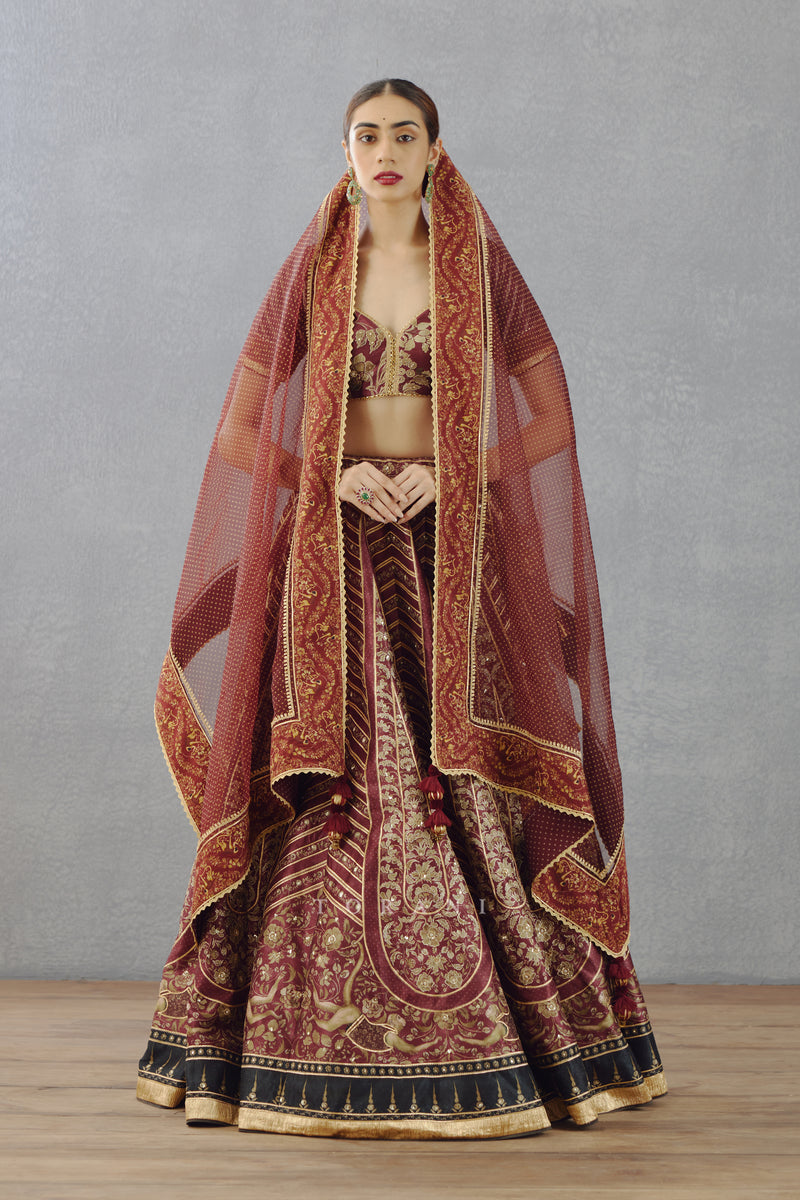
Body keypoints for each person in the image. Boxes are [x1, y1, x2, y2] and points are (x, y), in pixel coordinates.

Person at [136, 78, 666, 1139]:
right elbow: (240, 434)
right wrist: (328, 475)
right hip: (332, 560)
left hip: (455, 556)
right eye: (366, 134)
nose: (384, 150)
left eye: (404, 134)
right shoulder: (312, 272)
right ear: (344, 150)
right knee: (334, 775)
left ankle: (543, 1046)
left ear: (435, 151)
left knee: (470, 773)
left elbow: (550, 417)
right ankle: (270, 1047)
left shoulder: (478, 269)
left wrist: (453, 474)